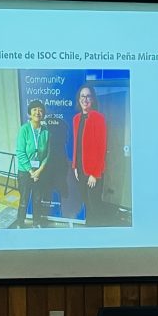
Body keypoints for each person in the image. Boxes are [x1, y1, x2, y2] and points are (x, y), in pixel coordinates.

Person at [71, 83, 107, 226]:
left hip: (93, 171)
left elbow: (102, 147)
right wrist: (75, 166)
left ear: (92, 99)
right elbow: (76, 144)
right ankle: (90, 228)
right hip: (80, 169)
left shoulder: (99, 118)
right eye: (82, 96)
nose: (85, 99)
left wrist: (95, 173)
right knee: (86, 201)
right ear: (78, 99)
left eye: (88, 96)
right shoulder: (76, 119)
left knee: (94, 204)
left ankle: (97, 231)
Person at [12, 99, 50, 228]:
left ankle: (36, 222)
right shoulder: (24, 129)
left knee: (37, 199)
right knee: (24, 200)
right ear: (29, 113)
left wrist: (39, 171)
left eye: (40, 110)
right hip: (25, 172)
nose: (37, 112)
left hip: (39, 172)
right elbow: (20, 152)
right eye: (34, 109)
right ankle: (20, 223)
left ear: (43, 114)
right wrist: (31, 171)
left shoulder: (45, 131)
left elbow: (48, 154)